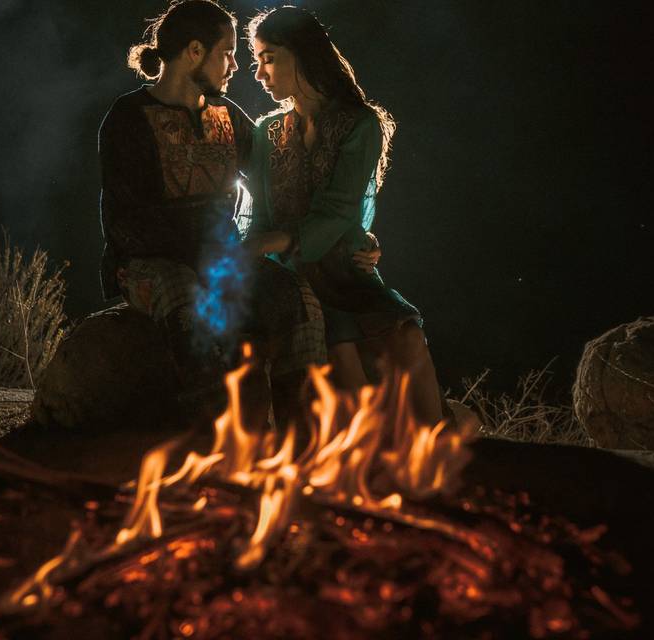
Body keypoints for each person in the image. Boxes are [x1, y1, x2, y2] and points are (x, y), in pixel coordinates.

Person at [98, 0, 328, 430]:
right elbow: (126, 222)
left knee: (298, 299)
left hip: (219, 260)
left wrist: (346, 228)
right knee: (190, 302)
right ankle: (213, 445)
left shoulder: (228, 118)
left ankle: (303, 447)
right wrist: (206, 256)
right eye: (228, 53)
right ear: (194, 52)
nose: (235, 66)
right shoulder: (127, 120)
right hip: (151, 265)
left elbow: (278, 180)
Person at [244, 6, 447, 427]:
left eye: (268, 58)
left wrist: (286, 239)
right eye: (256, 61)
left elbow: (339, 209)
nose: (260, 74)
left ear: (301, 53)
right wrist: (264, 249)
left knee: (406, 335)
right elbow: (259, 217)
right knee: (340, 344)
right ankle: (368, 467)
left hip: (347, 272)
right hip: (292, 276)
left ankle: (445, 451)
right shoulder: (267, 132)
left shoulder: (360, 125)